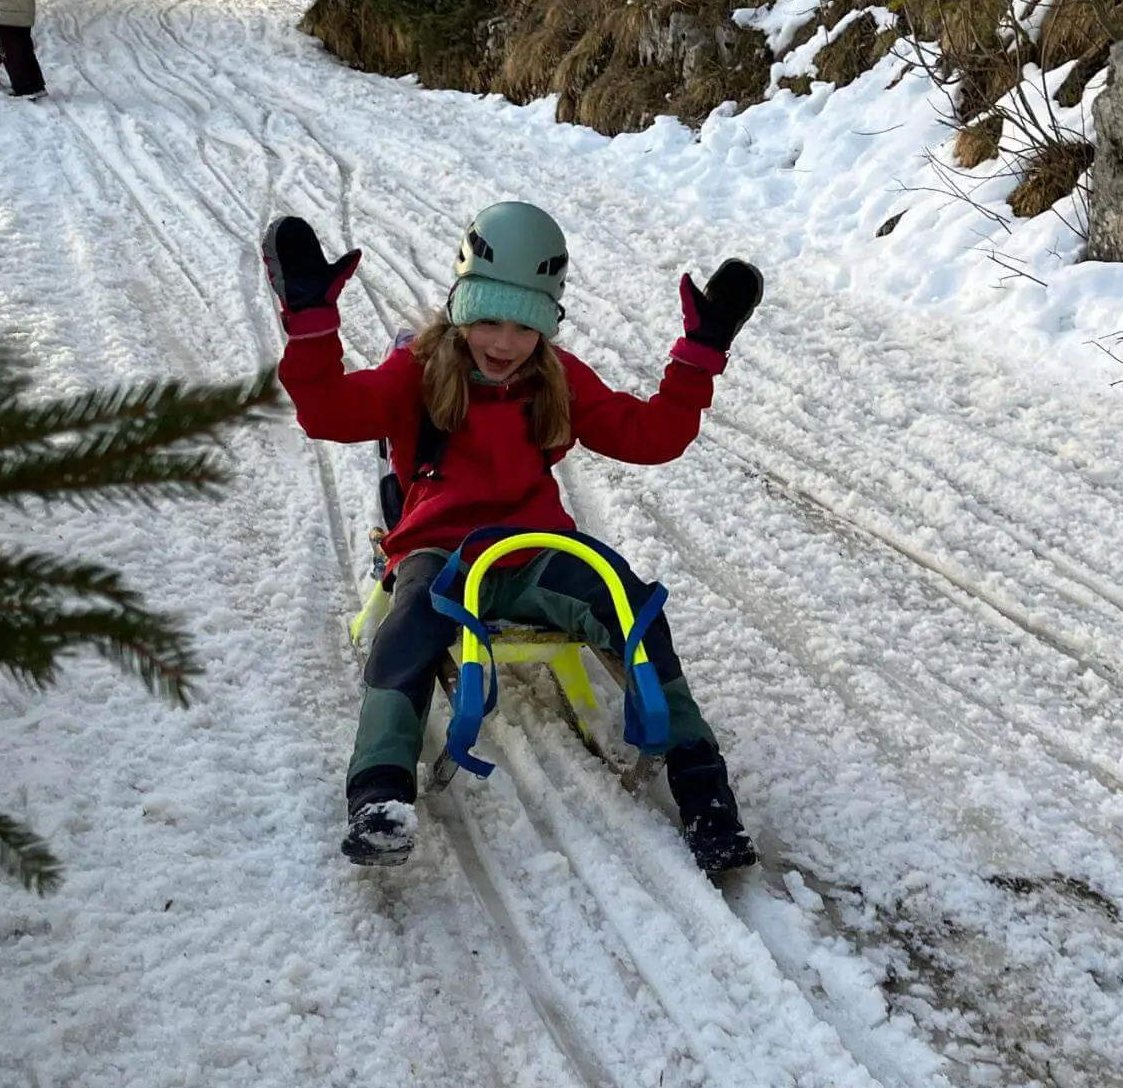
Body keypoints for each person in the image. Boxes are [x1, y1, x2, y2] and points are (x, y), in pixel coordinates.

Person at [262, 202, 765, 874]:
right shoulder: (419, 370)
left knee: (632, 605)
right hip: (443, 551)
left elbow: (653, 436)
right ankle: (380, 792)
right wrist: (313, 328)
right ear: (461, 307)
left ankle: (706, 795)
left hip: (535, 553)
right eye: (489, 319)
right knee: (408, 630)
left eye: (525, 326)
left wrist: (699, 356)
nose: (504, 342)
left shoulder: (555, 378)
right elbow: (329, 414)